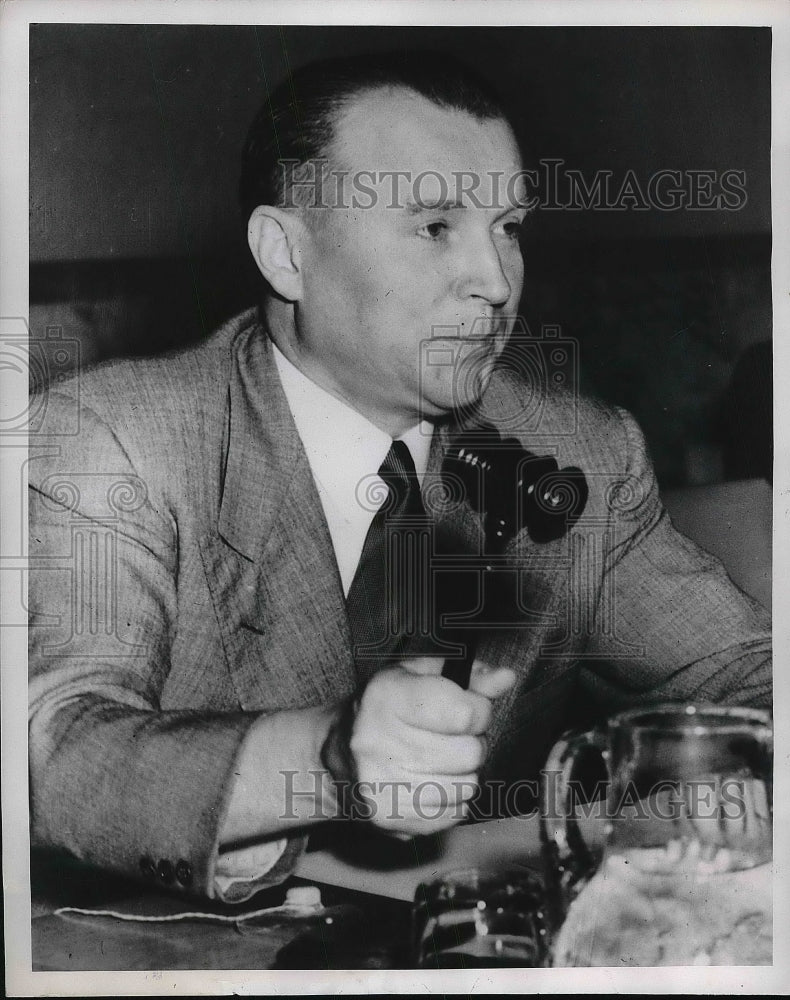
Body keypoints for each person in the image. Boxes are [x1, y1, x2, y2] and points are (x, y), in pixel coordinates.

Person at [28, 52, 771, 903]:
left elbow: (752, 683)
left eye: (508, 228)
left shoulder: (580, 453)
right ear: (286, 254)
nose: (497, 283)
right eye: (435, 227)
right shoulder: (115, 440)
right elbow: (51, 753)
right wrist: (327, 757)